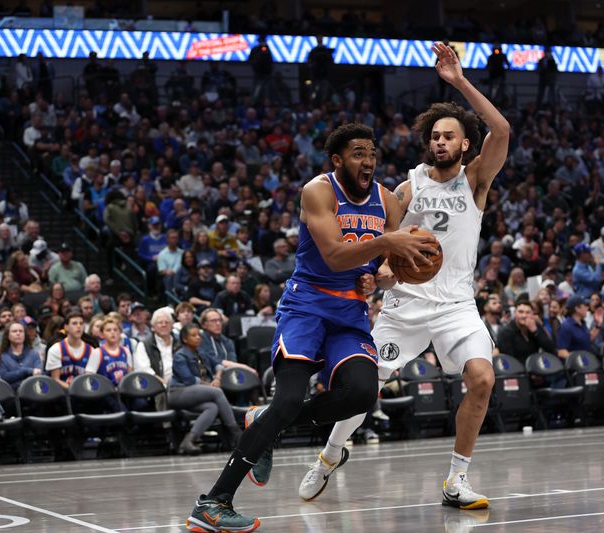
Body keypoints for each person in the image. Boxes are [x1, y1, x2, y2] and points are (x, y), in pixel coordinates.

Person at [186, 121, 435, 531]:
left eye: (372, 153)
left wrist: (384, 275)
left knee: (361, 393)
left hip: (350, 311)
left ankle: (263, 419)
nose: (368, 160)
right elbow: (337, 256)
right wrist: (387, 245)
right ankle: (212, 502)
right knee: (288, 400)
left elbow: (388, 268)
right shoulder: (317, 190)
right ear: (337, 160)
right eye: (358, 153)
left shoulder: (388, 201)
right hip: (307, 304)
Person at [298, 42, 509, 512]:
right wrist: (385, 277)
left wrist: (457, 82)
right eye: (434, 135)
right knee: (364, 389)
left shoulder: (476, 181)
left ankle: (457, 479)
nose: (440, 142)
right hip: (406, 306)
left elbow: (502, 128)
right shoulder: (405, 189)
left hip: (456, 306)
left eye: (449, 136)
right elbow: (387, 252)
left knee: (482, 379)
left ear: (465, 144)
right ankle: (331, 455)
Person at [170, 322, 242, 455]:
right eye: (193, 335)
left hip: (196, 393)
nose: (198, 337)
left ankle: (188, 441)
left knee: (212, 407)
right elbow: (189, 380)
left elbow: (218, 365)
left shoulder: (201, 352)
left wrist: (217, 378)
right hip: (178, 393)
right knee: (217, 392)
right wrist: (211, 385)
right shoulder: (180, 355)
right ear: (185, 339)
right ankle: (237, 434)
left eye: (199, 335)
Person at [45, 308, 92, 389]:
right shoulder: (56, 349)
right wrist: (75, 390)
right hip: (61, 394)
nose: (78, 326)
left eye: (81, 323)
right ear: (66, 327)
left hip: (85, 394)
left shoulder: (91, 350)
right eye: (74, 323)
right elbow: (55, 380)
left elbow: (91, 379)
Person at [85, 316, 132, 386]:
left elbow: (130, 375)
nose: (112, 332)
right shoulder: (97, 352)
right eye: (108, 330)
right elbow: (89, 377)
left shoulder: (126, 351)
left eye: (115, 330)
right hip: (104, 393)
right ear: (101, 334)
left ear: (120, 333)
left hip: (123, 392)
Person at [0, 322, 42, 391]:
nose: (18, 333)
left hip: (33, 392)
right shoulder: (3, 356)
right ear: (8, 335)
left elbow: (39, 373)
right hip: (11, 395)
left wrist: (16, 377)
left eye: (21, 331)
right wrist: (26, 371)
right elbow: (5, 377)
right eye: (14, 331)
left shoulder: (34, 354)